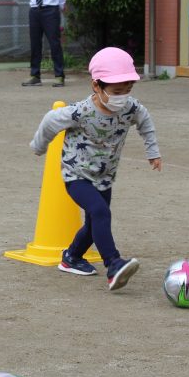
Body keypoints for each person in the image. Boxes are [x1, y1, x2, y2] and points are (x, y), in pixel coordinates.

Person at [29, 47, 162, 291]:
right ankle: (113, 264)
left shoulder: (131, 108)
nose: (123, 97)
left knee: (94, 223)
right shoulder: (80, 112)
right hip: (77, 175)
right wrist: (39, 145)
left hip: (104, 176)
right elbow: (50, 120)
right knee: (101, 212)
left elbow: (145, 122)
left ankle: (71, 257)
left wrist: (152, 151)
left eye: (128, 90)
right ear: (96, 86)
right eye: (117, 92)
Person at [22, 0, 67, 88]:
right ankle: (35, 75)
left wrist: (60, 8)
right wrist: (35, 5)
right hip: (35, 10)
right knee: (35, 43)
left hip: (51, 11)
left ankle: (59, 76)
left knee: (54, 43)